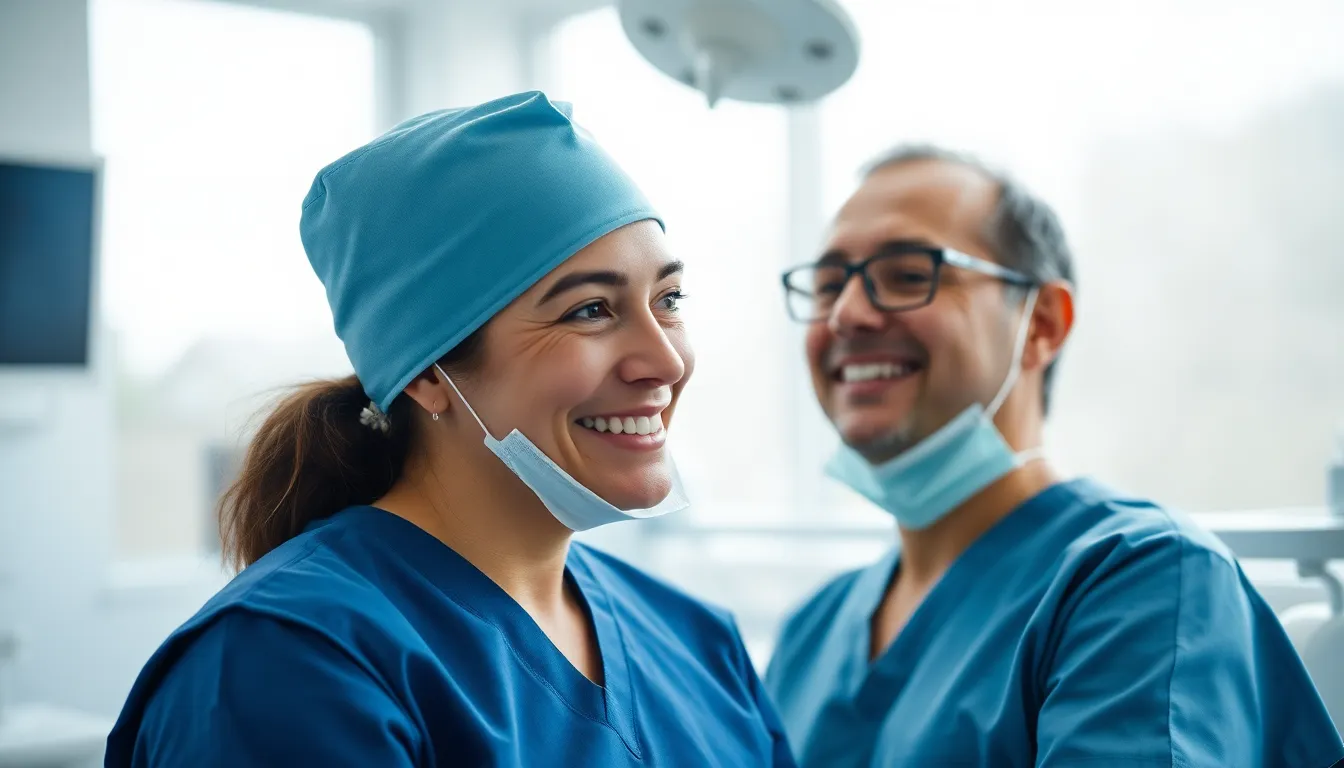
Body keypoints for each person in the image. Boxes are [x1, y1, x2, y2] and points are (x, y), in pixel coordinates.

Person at [104, 91, 794, 767]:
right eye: (589, 311)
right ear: (427, 373)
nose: (666, 361)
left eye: (668, 299)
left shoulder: (696, 641)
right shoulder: (287, 666)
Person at [763, 144, 1344, 767]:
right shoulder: (810, 634)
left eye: (908, 274)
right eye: (827, 286)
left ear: (1040, 323)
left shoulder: (1144, 579)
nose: (847, 313)